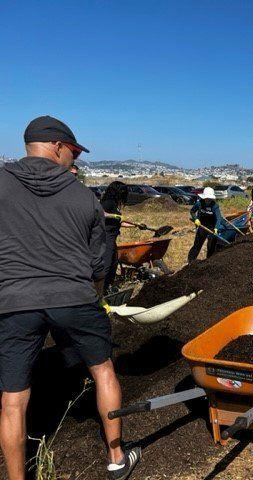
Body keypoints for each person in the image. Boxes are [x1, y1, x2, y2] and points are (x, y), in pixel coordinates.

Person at [0, 116, 140, 480]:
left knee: (13, 399)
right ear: (57, 147)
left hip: (14, 302)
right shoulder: (83, 196)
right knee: (104, 370)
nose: (74, 158)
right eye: (74, 151)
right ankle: (116, 458)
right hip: (74, 297)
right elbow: (98, 266)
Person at [101, 181, 141, 293]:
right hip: (105, 236)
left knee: (113, 263)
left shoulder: (114, 203)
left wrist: (136, 225)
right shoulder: (108, 202)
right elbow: (98, 213)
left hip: (112, 238)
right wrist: (113, 215)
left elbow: (120, 222)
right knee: (107, 264)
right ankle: (99, 291)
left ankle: (108, 288)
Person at [188, 187, 223, 262]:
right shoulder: (199, 203)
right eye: (207, 198)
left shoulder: (215, 206)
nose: (208, 200)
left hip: (212, 227)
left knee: (211, 246)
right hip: (202, 225)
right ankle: (190, 261)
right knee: (197, 245)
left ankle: (209, 261)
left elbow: (218, 218)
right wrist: (196, 219)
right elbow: (192, 211)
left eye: (209, 198)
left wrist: (216, 228)